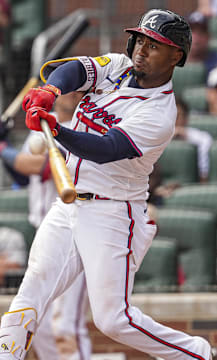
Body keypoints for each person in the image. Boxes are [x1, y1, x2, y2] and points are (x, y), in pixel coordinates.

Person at [0, 8, 213, 360]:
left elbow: (106, 148)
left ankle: (194, 353)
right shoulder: (118, 67)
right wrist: (51, 91)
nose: (142, 50)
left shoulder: (160, 114)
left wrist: (55, 129)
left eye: (154, 45)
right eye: (140, 40)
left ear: (176, 55)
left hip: (113, 213)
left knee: (113, 320)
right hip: (68, 206)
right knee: (30, 293)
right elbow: (75, 70)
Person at [0, 93, 92, 360]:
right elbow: (22, 176)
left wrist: (2, 148)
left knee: (65, 326)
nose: (72, 94)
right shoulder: (38, 131)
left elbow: (41, 167)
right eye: (68, 90)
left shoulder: (80, 132)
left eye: (79, 90)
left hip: (76, 236)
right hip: (46, 236)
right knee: (38, 325)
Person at [186, 11, 217, 75]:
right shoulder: (172, 63)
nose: (196, 37)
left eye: (202, 32)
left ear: (209, 37)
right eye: (191, 31)